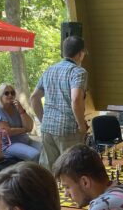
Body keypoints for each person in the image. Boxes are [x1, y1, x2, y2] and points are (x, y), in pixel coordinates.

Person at [30, 36, 89, 170]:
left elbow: (34, 97)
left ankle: (48, 192)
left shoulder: (49, 70)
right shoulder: (78, 72)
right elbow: (76, 99)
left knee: (48, 171)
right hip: (68, 129)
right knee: (71, 170)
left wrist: (43, 120)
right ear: (81, 54)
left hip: (47, 128)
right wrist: (81, 126)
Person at [0, 83, 42, 162]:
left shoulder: (16, 107)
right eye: (6, 93)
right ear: (0, 96)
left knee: (46, 149)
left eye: (12, 93)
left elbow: (29, 127)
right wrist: (23, 130)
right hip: (8, 145)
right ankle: (33, 174)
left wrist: (21, 110)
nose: (10, 95)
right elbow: (7, 132)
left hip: (24, 140)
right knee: (35, 155)